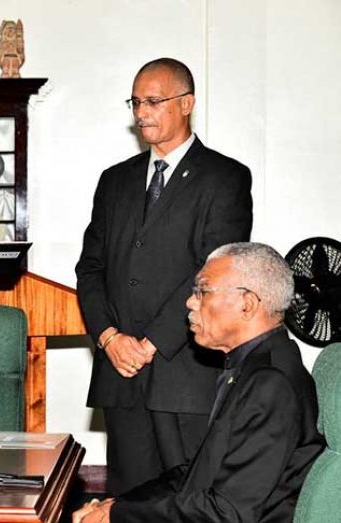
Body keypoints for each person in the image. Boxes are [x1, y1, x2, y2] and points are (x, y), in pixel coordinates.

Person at [75, 57, 253, 495]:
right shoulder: (113, 181)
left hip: (185, 376)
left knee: (190, 503)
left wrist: (151, 343)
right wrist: (110, 338)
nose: (141, 113)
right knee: (128, 505)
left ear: (186, 103)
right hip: (122, 376)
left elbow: (212, 274)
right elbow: (90, 269)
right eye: (135, 102)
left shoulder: (225, 178)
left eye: (153, 101)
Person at [74, 242, 325, 522]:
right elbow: (197, 473)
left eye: (202, 291)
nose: (190, 302)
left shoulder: (270, 383)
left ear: (247, 304)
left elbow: (227, 512)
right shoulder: (253, 367)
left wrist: (116, 515)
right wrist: (117, 506)